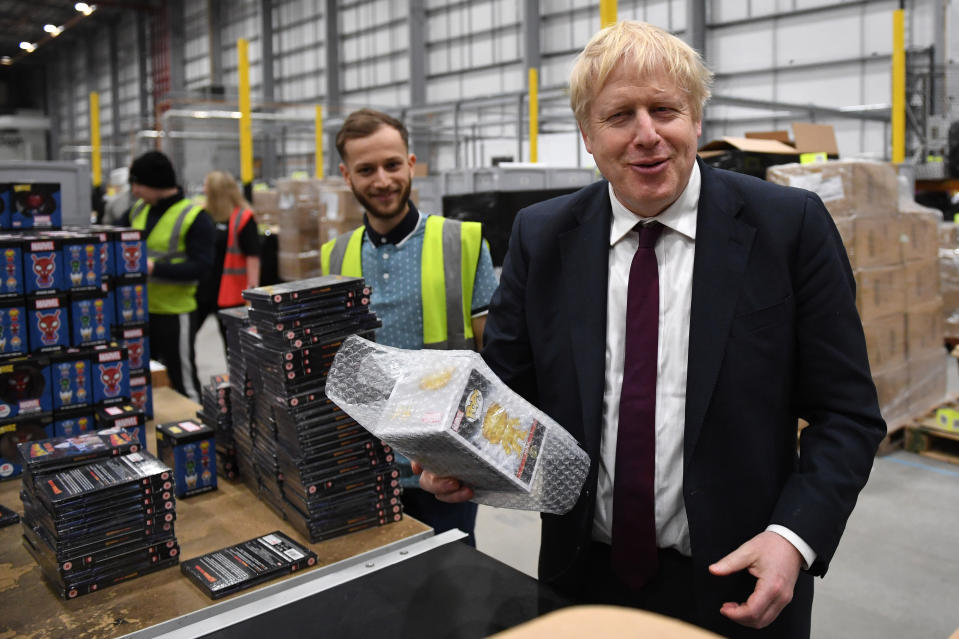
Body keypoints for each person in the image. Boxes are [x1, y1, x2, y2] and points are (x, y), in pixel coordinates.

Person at [415, 20, 886, 638]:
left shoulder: (787, 228)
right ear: (587, 134)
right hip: (581, 578)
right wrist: (463, 455)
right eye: (619, 116)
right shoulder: (542, 237)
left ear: (695, 117)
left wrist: (794, 537)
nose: (647, 136)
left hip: (739, 577)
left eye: (665, 109)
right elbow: (508, 393)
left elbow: (847, 413)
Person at [320, 108, 499, 546]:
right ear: (347, 176)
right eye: (366, 170)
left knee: (451, 580)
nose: (382, 180)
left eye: (392, 165)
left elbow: (495, 362)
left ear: (412, 164)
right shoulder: (334, 257)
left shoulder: (463, 243)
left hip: (445, 465)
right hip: (366, 467)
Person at [120, 150, 215, 402]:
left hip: (176, 312)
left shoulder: (194, 217)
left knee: (183, 379)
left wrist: (153, 269)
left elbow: (202, 267)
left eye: (138, 183)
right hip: (140, 312)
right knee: (144, 378)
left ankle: (197, 431)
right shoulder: (136, 211)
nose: (135, 190)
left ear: (156, 183)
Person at [195, 170, 261, 351]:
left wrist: (252, 290)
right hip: (205, 289)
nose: (203, 190)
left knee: (233, 346)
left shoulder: (243, 218)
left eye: (207, 187)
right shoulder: (203, 215)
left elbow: (253, 255)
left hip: (233, 292)